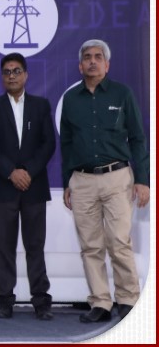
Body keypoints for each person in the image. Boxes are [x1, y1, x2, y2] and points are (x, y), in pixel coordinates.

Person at [60, 39, 149, 324]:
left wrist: (143, 180)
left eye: (98, 57)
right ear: (80, 65)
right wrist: (67, 183)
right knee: (91, 246)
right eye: (87, 57)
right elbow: (67, 144)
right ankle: (100, 302)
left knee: (119, 241)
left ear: (107, 65)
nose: (92, 61)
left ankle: (128, 299)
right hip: (82, 181)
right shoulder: (71, 99)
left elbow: (138, 138)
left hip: (117, 178)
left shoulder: (123, 94)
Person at [0, 53, 55, 320]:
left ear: (26, 75)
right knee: (5, 247)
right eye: (7, 72)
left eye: (16, 71)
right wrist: (11, 172)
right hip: (4, 186)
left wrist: (28, 172)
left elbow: (49, 144)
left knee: (35, 246)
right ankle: (5, 301)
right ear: (2, 77)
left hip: (34, 186)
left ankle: (41, 301)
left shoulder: (41, 105)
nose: (11, 76)